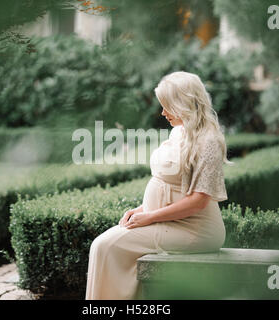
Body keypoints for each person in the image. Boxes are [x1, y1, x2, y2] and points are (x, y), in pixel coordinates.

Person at [85, 71, 233, 300]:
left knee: (106, 246)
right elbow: (170, 188)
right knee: (101, 246)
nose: (163, 112)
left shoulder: (208, 140)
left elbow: (198, 201)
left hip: (194, 230)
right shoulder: (179, 131)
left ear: (183, 103)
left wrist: (151, 217)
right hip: (168, 221)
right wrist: (144, 209)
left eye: (167, 106)